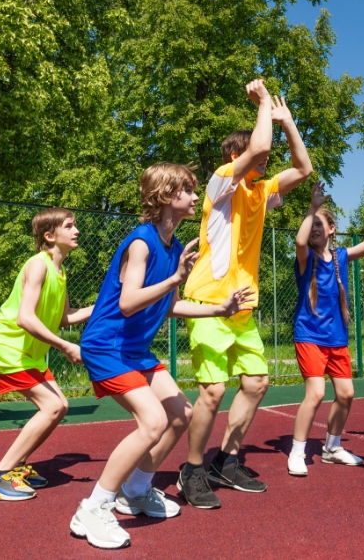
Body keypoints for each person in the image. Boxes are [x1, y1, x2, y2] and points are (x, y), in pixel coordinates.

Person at [71, 163, 250, 550]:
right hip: (107, 346)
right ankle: (93, 507)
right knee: (151, 422)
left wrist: (220, 309)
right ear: (167, 195)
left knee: (181, 414)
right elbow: (130, 301)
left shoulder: (172, 249)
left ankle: (135, 490)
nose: (193, 197)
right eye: (187, 190)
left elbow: (170, 307)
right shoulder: (141, 242)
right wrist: (174, 280)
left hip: (134, 349)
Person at [179, 79, 314, 509]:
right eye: (257, 154)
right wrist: (260, 105)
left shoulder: (260, 192)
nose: (265, 157)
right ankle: (192, 469)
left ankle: (227, 459)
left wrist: (288, 121)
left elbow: (303, 169)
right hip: (207, 305)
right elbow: (259, 149)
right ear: (237, 158)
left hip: (242, 307)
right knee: (213, 392)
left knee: (256, 383)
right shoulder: (221, 184)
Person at [0, 207, 93, 501]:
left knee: (59, 406)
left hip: (27, 354)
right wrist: (65, 346)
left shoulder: (61, 271)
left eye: (75, 225)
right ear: (50, 236)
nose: (76, 230)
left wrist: (106, 305)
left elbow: (65, 317)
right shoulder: (38, 265)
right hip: (6, 348)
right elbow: (25, 318)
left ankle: (17, 468)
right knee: (52, 407)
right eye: (69, 226)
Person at [286, 180, 364, 477]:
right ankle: (297, 451)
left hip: (337, 338)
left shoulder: (342, 257)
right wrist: (312, 208)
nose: (315, 228)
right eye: (311, 224)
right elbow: (299, 242)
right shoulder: (306, 259)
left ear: (332, 229)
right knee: (315, 393)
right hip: (310, 335)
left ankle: (331, 448)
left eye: (320, 224)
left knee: (346, 394)